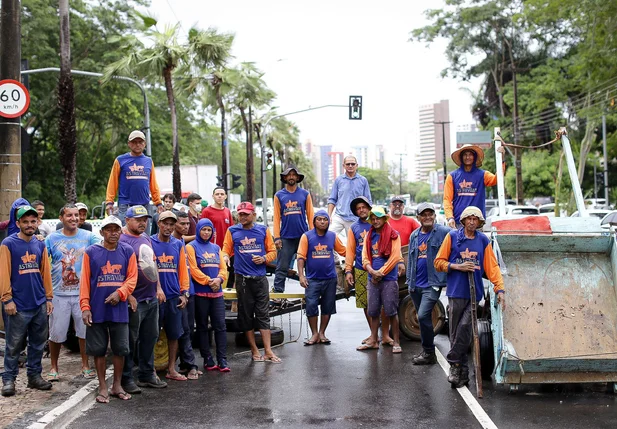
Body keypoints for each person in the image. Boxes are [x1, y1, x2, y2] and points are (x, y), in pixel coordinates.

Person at [434, 206, 505, 387]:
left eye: (476, 219)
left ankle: (454, 361)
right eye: (469, 219)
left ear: (479, 222)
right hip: (456, 291)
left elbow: (492, 267)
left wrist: (499, 288)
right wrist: (458, 266)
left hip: (475, 294)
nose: (472, 222)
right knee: (456, 332)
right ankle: (461, 372)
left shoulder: (482, 240)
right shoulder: (452, 237)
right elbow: (438, 262)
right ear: (464, 221)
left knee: (465, 327)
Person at [79, 215, 137, 403]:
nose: (113, 233)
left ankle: (117, 385)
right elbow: (85, 282)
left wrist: (120, 294)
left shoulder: (127, 251)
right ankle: (102, 386)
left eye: (117, 229)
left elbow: (132, 278)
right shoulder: (91, 252)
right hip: (97, 308)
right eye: (109, 229)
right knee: (98, 349)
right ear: (101, 232)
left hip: (119, 308)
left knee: (120, 348)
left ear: (121, 231)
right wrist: (85, 306)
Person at [1, 205, 54, 397]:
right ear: (18, 223)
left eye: (33, 221)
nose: (29, 225)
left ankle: (34, 377)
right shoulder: (8, 243)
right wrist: (7, 299)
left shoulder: (40, 244)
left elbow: (45, 272)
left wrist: (48, 297)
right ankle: (9, 379)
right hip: (18, 305)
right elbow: (4, 273)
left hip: (38, 302)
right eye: (25, 221)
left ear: (37, 222)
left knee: (38, 343)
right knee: (13, 345)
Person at [45, 204, 101, 381]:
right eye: (69, 215)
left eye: (76, 215)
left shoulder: (89, 237)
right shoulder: (52, 239)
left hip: (81, 294)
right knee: (56, 333)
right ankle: (54, 367)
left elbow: (104, 245)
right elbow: (43, 263)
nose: (74, 219)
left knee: (83, 331)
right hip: (58, 294)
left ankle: (85, 366)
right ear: (61, 218)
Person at [222, 201, 280, 363]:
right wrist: (225, 257)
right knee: (246, 316)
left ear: (253, 215)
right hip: (243, 280)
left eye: (246, 214)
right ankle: (254, 350)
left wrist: (263, 258)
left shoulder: (262, 230)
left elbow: (273, 252)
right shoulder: (232, 230)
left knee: (263, 315)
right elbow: (225, 248)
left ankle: (268, 351)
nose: (243, 217)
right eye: (240, 214)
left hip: (260, 279)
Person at [119, 205, 167, 393]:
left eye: (145, 219)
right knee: (130, 340)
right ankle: (126, 377)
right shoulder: (122, 241)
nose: (142, 222)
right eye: (138, 219)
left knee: (150, 337)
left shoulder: (146, 237)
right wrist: (129, 295)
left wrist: (159, 287)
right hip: (134, 300)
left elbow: (152, 263)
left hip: (151, 298)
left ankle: (146, 374)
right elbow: (119, 273)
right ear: (127, 220)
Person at [150, 211, 193, 381]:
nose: (168, 227)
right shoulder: (150, 242)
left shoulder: (178, 244)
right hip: (156, 297)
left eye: (171, 224)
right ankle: (150, 369)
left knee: (174, 334)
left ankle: (171, 369)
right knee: (152, 334)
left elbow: (183, 270)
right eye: (165, 223)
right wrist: (154, 290)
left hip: (174, 296)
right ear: (159, 224)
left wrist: (184, 293)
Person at [406, 202, 449, 365]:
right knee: (422, 319)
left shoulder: (444, 232)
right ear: (418, 217)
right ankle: (428, 352)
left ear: (434, 216)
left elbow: (458, 241)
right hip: (415, 285)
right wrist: (409, 281)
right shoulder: (414, 235)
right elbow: (411, 259)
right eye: (423, 215)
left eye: (430, 214)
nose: (427, 217)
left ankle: (429, 352)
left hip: (432, 284)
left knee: (423, 315)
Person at [357, 206, 403, 354]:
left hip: (388, 279)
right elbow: (364, 257)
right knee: (373, 311)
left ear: (384, 219)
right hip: (372, 279)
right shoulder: (369, 236)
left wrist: (380, 272)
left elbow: (395, 256)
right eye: (373, 219)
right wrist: (371, 271)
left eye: (378, 218)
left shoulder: (393, 235)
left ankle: (396, 341)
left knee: (391, 311)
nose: (376, 221)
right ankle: (373, 340)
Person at [297, 210, 346, 345]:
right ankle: (314, 334)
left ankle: (322, 333)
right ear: (314, 222)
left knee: (327, 306)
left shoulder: (332, 236)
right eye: (319, 219)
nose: (322, 222)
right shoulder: (306, 237)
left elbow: (344, 251)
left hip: (330, 278)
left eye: (325, 219)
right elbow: (301, 257)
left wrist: (359, 254)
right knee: (311, 305)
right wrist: (301, 276)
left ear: (329, 222)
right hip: (312, 279)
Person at [187, 219, 230, 372]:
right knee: (203, 327)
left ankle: (222, 359)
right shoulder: (190, 247)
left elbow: (223, 268)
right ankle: (207, 358)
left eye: (209, 230)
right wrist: (208, 281)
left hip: (217, 293)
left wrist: (219, 279)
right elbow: (193, 269)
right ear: (198, 230)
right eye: (203, 229)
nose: (206, 233)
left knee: (220, 326)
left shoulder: (216, 247)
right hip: (200, 293)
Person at [105, 130, 164, 224]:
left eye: (140, 142)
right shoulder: (120, 160)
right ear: (129, 144)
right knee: (125, 235)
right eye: (134, 142)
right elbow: (113, 182)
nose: (137, 145)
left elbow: (153, 184)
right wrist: (109, 202)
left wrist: (158, 203)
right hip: (126, 205)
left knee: (144, 236)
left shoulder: (148, 161)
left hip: (144, 205)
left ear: (144, 144)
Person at [273, 167, 314, 294]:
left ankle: (312, 292)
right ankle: (278, 294)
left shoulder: (305, 194)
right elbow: (276, 218)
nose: (291, 177)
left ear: (297, 178)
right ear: (285, 178)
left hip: (303, 237)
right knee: (282, 267)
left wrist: (313, 235)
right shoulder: (279, 196)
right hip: (286, 237)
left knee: (309, 266)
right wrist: (277, 237)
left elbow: (311, 215)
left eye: (293, 175)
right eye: (288, 175)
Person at [443, 144, 505, 228]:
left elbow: (496, 179)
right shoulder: (452, 176)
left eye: (470, 155)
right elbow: (447, 199)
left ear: (474, 157)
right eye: (465, 155)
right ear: (461, 157)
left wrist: (502, 159)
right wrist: (450, 217)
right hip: (458, 222)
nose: (467, 157)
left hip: (477, 222)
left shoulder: (483, 175)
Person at [170, 210, 200, 377]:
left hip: (190, 291)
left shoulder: (182, 241)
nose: (186, 226)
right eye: (182, 224)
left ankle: (185, 363)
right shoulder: (170, 242)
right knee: (181, 329)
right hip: (177, 293)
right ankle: (189, 364)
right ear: (174, 224)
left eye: (188, 223)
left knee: (188, 328)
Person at [344, 197, 373, 342]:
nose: (361, 210)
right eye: (358, 208)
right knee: (365, 303)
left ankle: (384, 333)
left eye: (363, 207)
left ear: (369, 208)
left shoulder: (377, 222)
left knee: (381, 302)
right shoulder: (354, 228)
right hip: (361, 269)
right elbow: (350, 250)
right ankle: (373, 334)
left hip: (378, 269)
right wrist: (348, 270)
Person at [327, 155, 372, 238]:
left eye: (352, 164)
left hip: (355, 218)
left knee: (355, 243)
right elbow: (332, 199)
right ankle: (337, 251)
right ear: (343, 166)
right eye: (348, 164)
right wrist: (329, 216)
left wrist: (368, 217)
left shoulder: (363, 180)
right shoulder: (338, 180)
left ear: (356, 165)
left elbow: (368, 200)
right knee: (328, 236)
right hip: (339, 216)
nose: (350, 166)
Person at [201, 187, 235, 288]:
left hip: (227, 250)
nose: (219, 196)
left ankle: (228, 298)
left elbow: (231, 230)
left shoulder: (227, 212)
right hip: (212, 250)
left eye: (221, 194)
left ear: (225, 196)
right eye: (217, 194)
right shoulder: (207, 211)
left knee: (231, 271)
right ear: (213, 196)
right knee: (214, 273)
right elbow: (202, 230)